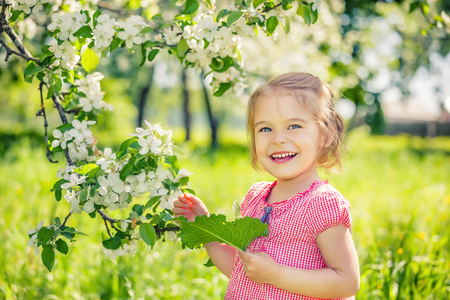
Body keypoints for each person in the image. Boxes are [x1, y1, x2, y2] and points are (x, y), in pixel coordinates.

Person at [173, 72, 360, 300]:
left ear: (325, 135)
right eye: (265, 129)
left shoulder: (322, 203)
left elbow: (347, 282)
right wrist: (203, 227)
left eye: (293, 126)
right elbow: (243, 271)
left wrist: (276, 274)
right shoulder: (256, 197)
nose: (278, 139)